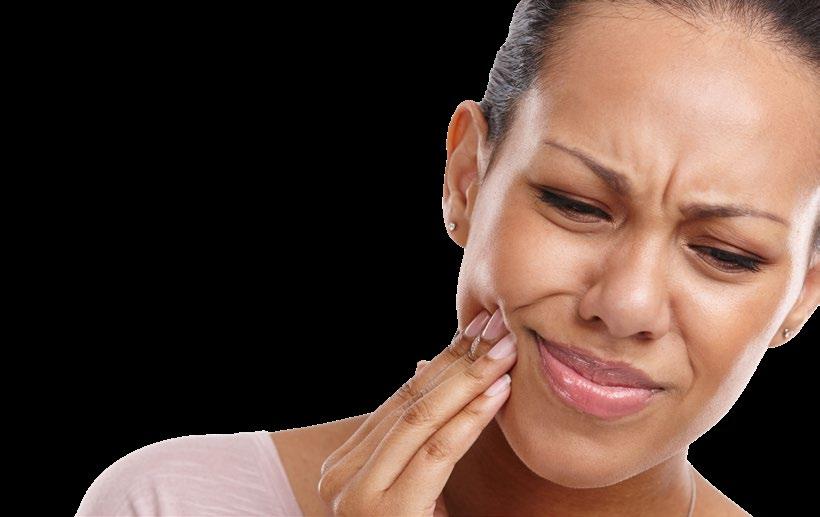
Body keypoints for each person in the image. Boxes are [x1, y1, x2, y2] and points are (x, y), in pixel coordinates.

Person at [77, 0, 819, 515]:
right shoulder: (169, 502)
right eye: (576, 204)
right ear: (467, 180)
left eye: (724, 253)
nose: (624, 304)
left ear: (802, 294)